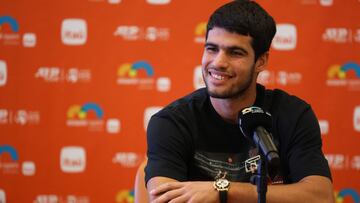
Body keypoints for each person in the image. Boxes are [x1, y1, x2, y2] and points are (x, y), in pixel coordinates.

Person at [144, 1, 335, 202]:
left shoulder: (293, 115)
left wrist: (223, 191)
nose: (218, 62)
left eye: (235, 53)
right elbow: (163, 199)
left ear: (261, 61)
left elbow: (321, 196)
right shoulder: (172, 121)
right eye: (211, 49)